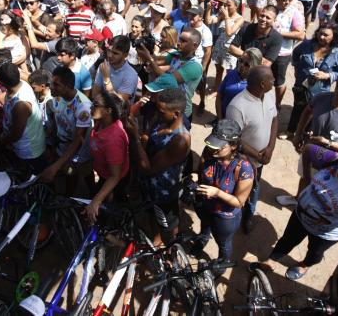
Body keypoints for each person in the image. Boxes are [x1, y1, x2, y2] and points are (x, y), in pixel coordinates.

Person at [262, 144, 338, 280]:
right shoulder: (334, 161)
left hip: (325, 234)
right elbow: (308, 149)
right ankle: (272, 260)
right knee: (287, 240)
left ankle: (304, 265)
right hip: (300, 217)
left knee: (314, 253)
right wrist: (306, 178)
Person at [280, 69, 338, 206]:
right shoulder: (322, 98)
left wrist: (328, 143)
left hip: (335, 162)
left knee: (323, 189)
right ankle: (299, 199)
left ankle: (311, 208)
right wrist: (298, 133)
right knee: (305, 176)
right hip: (310, 150)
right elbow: (307, 111)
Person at [124, 87, 191, 245]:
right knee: (153, 215)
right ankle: (157, 239)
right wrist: (145, 136)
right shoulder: (161, 117)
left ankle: (171, 251)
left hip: (164, 192)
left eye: (161, 112)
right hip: (149, 186)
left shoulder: (180, 140)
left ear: (175, 114)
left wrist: (135, 138)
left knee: (169, 224)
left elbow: (149, 168)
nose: (156, 114)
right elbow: (147, 134)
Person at [226, 66, 278, 234]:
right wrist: (257, 155)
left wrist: (270, 148)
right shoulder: (237, 106)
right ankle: (233, 219)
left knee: (255, 188)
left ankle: (248, 216)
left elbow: (275, 119)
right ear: (263, 83)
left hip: (261, 161)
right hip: (243, 163)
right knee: (238, 190)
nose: (274, 81)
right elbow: (233, 139)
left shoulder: (269, 95)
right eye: (271, 79)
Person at [192, 119, 254, 260]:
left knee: (223, 243)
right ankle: (202, 240)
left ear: (233, 146)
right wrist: (194, 176)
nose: (214, 148)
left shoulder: (244, 168)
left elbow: (239, 202)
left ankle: (221, 265)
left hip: (225, 217)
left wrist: (217, 192)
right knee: (205, 226)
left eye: (219, 146)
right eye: (213, 143)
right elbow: (199, 170)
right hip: (206, 206)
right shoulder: (209, 151)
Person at [284, 23, 338, 138]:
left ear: (334, 37)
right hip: (302, 84)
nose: (321, 37)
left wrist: (327, 75)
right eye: (320, 33)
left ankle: (305, 134)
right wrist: (296, 67)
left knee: (315, 111)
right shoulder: (307, 44)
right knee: (298, 107)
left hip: (321, 89)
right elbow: (296, 53)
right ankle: (290, 131)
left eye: (326, 35)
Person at [40, 66, 92, 185]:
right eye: (52, 83)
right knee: (69, 177)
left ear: (68, 87)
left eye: (56, 84)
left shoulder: (83, 107)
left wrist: (55, 166)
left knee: (86, 178)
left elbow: (78, 140)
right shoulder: (58, 96)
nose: (51, 87)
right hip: (62, 148)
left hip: (79, 153)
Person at [138, 27, 203, 121]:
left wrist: (149, 59)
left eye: (184, 41)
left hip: (180, 113)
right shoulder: (177, 54)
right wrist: (144, 51)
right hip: (165, 105)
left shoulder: (194, 66)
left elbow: (168, 79)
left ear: (194, 45)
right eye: (180, 39)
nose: (179, 43)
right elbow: (157, 61)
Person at [84, 92, 130, 223]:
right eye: (92, 103)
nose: (91, 108)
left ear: (108, 111)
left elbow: (115, 176)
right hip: (104, 175)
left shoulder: (113, 140)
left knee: (110, 214)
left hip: (115, 180)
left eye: (96, 105)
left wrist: (96, 201)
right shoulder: (100, 123)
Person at [0, 61, 47, 173]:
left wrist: (4, 140)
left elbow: (16, 134)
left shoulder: (21, 105)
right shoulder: (20, 84)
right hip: (25, 146)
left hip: (29, 151)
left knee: (35, 180)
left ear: (1, 82)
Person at [208, 0, 245, 102]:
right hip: (220, 46)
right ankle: (217, 92)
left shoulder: (240, 19)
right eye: (225, 5)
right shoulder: (224, 14)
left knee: (230, 74)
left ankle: (227, 94)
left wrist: (226, 16)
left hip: (230, 50)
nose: (225, 7)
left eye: (228, 5)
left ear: (236, 6)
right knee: (218, 71)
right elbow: (210, 21)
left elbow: (230, 33)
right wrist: (209, 8)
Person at [273, 0, 306, 106]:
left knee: (279, 82)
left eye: (288, 0)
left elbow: (300, 35)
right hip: (266, 50)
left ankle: (277, 105)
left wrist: (279, 33)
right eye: (283, 0)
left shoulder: (294, 12)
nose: (286, 3)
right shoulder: (271, 9)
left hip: (282, 53)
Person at [215, 47, 263, 120]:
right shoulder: (231, 74)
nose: (241, 65)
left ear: (255, 67)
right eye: (240, 60)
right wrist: (220, 119)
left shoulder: (257, 85)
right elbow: (219, 97)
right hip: (224, 120)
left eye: (247, 64)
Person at [93, 35, 139, 102]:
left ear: (125, 55)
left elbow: (119, 103)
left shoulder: (131, 75)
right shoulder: (103, 66)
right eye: (109, 51)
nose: (110, 55)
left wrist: (106, 79)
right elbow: (95, 94)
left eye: (115, 53)